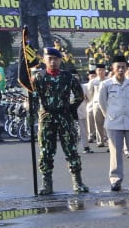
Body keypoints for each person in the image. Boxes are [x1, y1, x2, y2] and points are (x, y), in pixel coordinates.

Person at [30, 48, 88, 195]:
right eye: (49, 58)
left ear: (60, 60)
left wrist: (70, 108)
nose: (53, 61)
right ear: (44, 60)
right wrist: (31, 112)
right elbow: (33, 98)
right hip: (47, 118)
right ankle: (47, 184)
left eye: (55, 59)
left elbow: (79, 95)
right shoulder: (39, 77)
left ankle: (78, 182)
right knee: (46, 152)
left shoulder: (67, 77)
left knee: (71, 150)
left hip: (64, 118)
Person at [97, 55, 129, 190]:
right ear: (113, 69)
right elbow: (103, 104)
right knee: (115, 152)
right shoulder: (106, 85)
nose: (121, 69)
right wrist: (110, 116)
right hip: (114, 122)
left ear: (126, 68)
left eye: (123, 67)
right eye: (118, 67)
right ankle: (115, 180)